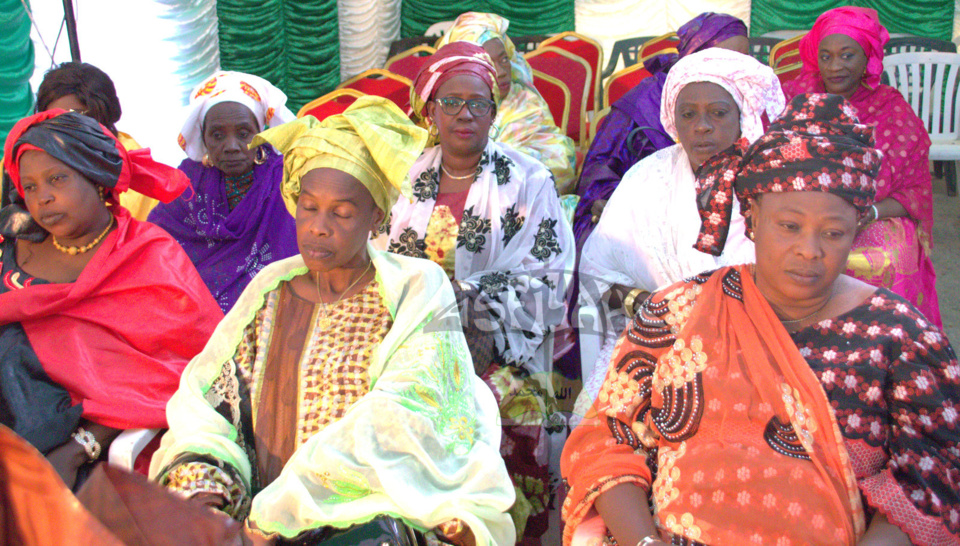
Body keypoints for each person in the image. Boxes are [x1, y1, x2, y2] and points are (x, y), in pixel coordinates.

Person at [562, 93, 960, 545]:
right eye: (788, 226)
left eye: (833, 233)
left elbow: (928, 484)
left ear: (856, 232)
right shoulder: (677, 313)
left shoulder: (901, 339)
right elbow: (606, 441)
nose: (809, 250)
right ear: (751, 219)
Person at [150, 96, 516, 546]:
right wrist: (209, 498)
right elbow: (208, 405)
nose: (319, 226)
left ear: (375, 217)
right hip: (251, 519)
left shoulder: (414, 287)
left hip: (373, 508)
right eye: (308, 207)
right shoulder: (270, 290)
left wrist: (279, 513)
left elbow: (403, 417)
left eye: (341, 213)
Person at [377, 41, 575, 545]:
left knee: (506, 406)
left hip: (499, 344)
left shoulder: (528, 179)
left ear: (494, 111)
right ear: (429, 110)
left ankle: (499, 530)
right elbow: (375, 261)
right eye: (451, 102)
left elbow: (549, 276)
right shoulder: (402, 176)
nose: (465, 114)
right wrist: (421, 304)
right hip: (406, 335)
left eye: (478, 103)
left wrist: (461, 296)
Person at [0, 110, 222, 490]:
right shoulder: (11, 247)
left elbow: (183, 374)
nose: (43, 197)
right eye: (30, 186)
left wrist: (78, 448)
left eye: (57, 179)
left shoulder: (148, 256)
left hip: (79, 449)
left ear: (98, 177)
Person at [575, 48, 784, 417]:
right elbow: (599, 277)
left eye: (718, 113)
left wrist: (714, 322)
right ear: (673, 121)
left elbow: (791, 284)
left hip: (750, 346)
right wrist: (651, 307)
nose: (701, 126)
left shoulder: (771, 183)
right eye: (688, 114)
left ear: (741, 116)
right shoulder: (646, 178)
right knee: (614, 425)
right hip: (655, 343)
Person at [782, 7, 941, 327]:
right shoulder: (796, 99)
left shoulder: (892, 108)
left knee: (895, 256)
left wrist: (872, 212)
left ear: (868, 57)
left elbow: (915, 190)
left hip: (872, 215)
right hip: (802, 213)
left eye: (847, 55)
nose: (835, 66)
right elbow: (772, 163)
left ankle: (891, 340)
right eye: (825, 56)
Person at [574, 13, 750, 248]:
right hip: (646, 221)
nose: (737, 70)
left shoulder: (753, 99)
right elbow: (600, 171)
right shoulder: (644, 102)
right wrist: (614, 203)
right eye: (724, 60)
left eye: (743, 60)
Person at [148, 71, 299, 313]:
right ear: (204, 138)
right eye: (217, 135)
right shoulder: (189, 182)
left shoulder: (286, 178)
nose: (231, 146)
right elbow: (156, 244)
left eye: (244, 134)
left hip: (273, 309)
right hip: (194, 309)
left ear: (261, 133)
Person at [435, 12, 577, 194]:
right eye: (488, 63)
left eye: (504, 60)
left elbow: (560, 165)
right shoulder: (446, 108)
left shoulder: (525, 102)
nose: (502, 71)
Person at [25, 62, 158, 220]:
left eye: (73, 116)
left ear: (102, 113)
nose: (63, 128)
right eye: (53, 118)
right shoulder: (26, 158)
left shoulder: (130, 165)